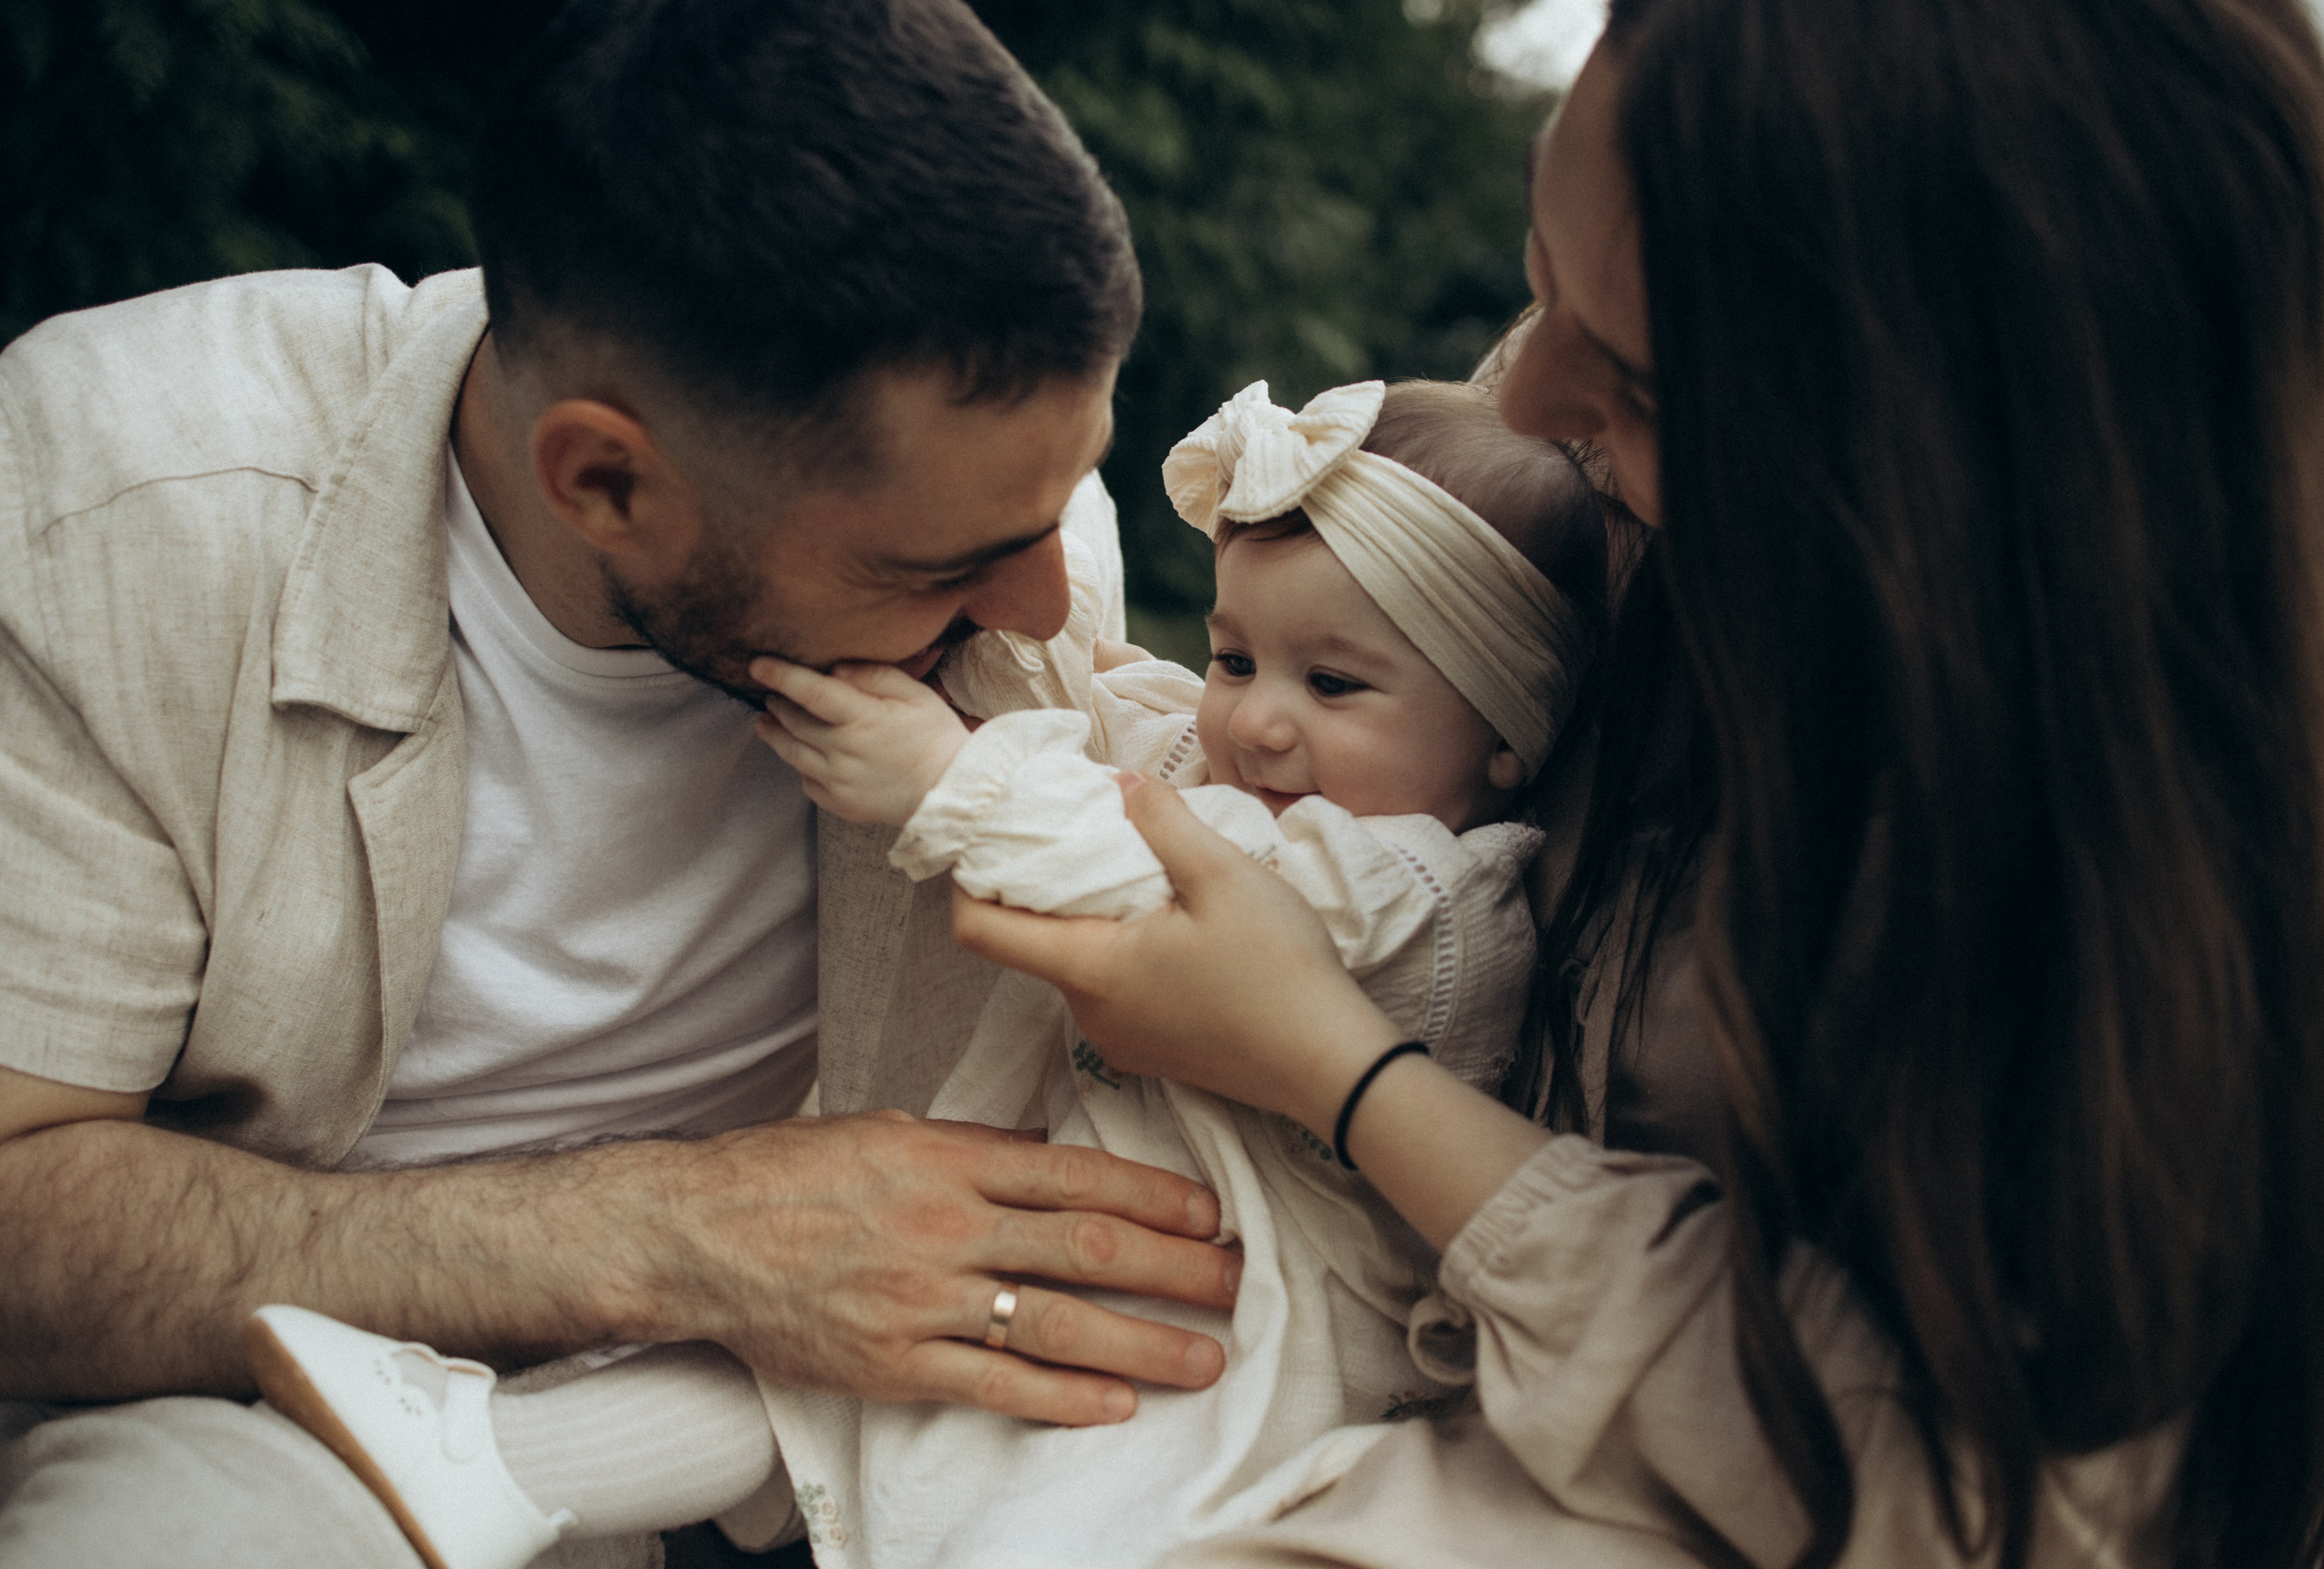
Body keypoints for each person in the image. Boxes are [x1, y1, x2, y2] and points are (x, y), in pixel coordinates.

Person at [956, 1, 2324, 1566]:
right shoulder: (1610, 503)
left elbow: (1953, 1498)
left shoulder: (2157, 922)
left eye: (1638, 377)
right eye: (1542, 276)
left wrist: (1336, 1069)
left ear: (1938, 465)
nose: (1531, 399)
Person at [0, 2, 1253, 1563]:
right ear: (604, 479)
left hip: (833, 1436)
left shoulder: (997, 525)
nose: (1045, 610)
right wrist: (676, 1234)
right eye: (944, 568)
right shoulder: (115, 511)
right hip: (250, 1425)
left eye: (1067, 506)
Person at [231, 375, 1615, 1569]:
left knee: (1045, 1537)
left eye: (1335, 686)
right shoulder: (1270, 774)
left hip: (1221, 1346)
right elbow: (1137, 733)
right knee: (785, 1376)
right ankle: (471, 1458)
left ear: (1504, 729)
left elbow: (1180, 891)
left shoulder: (1440, 901)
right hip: (1067, 1263)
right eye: (1237, 654)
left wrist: (950, 778)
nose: (1254, 720)